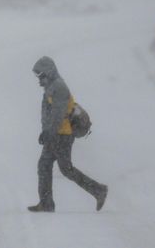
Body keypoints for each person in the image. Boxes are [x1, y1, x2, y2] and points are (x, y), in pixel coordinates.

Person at [28, 56, 107, 213]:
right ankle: (46, 203)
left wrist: (49, 132)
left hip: (62, 135)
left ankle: (98, 190)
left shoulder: (59, 87)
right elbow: (48, 114)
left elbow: (58, 114)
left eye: (40, 75)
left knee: (66, 169)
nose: (38, 79)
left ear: (48, 72)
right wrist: (45, 131)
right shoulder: (51, 87)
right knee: (44, 165)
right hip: (55, 134)